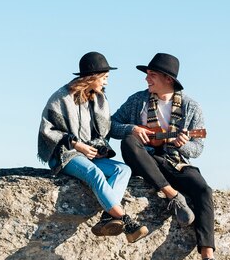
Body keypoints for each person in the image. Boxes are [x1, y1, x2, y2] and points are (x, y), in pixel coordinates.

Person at [110, 52, 230, 260]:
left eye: (152, 75)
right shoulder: (138, 100)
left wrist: (183, 145)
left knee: (203, 190)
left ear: (168, 79)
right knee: (128, 142)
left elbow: (198, 148)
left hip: (175, 162)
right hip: (145, 161)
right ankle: (173, 196)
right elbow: (111, 126)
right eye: (147, 75)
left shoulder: (191, 106)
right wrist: (132, 129)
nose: (147, 79)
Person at [38, 51, 148, 243]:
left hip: (88, 153)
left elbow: (103, 131)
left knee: (123, 170)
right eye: (104, 78)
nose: (106, 82)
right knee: (94, 174)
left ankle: (108, 217)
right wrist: (77, 145)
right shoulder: (61, 97)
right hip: (65, 154)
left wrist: (95, 148)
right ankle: (126, 221)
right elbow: (48, 130)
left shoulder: (99, 99)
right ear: (92, 77)